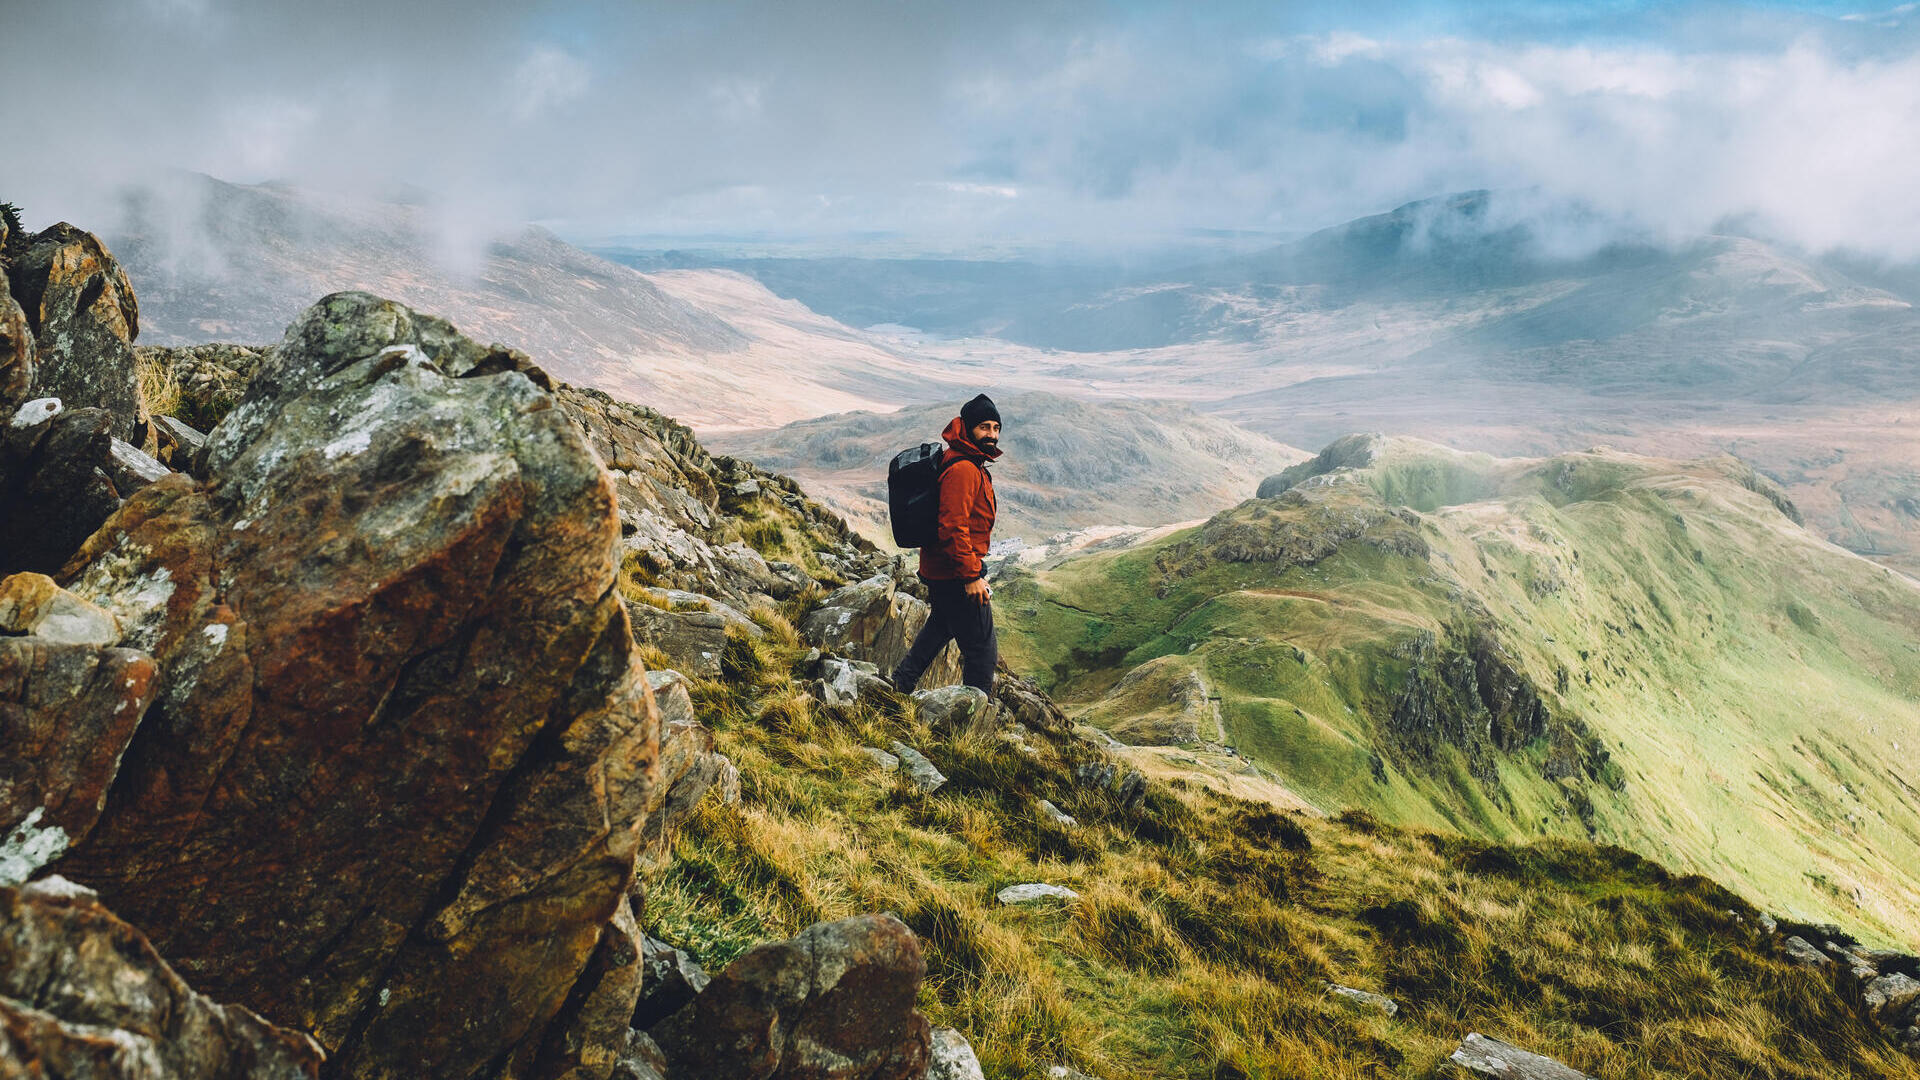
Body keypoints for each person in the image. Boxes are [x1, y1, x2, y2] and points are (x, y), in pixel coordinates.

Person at [892, 393, 1002, 693]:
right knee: (982, 653)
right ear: (967, 428)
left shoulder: (967, 461)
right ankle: (968, 725)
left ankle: (901, 683)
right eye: (984, 427)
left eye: (995, 428)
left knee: (942, 625)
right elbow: (953, 527)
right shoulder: (964, 469)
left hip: (943, 569)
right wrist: (971, 576)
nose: (991, 434)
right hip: (956, 573)